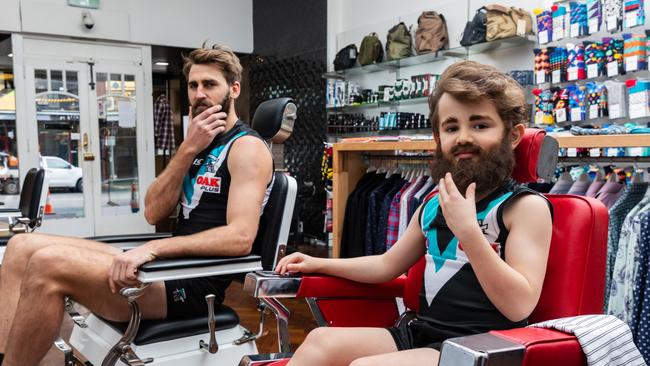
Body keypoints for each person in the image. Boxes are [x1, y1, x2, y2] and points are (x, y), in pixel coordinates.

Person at [0, 44, 273, 366]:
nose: (200, 94)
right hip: (164, 267)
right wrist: (186, 149)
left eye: (210, 85)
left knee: (48, 263)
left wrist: (154, 248)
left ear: (234, 90)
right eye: (193, 85)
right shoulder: (198, 145)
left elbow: (241, 237)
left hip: (191, 283)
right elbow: (153, 212)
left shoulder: (246, 148)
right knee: (21, 245)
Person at [275, 60, 553, 366]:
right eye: (451, 127)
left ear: (513, 136)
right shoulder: (434, 203)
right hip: (423, 333)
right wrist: (318, 263)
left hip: (482, 348)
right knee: (319, 342)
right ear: (438, 138)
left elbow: (519, 306)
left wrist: (469, 233)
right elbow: (386, 265)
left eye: (480, 125)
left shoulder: (524, 207)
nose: (462, 137)